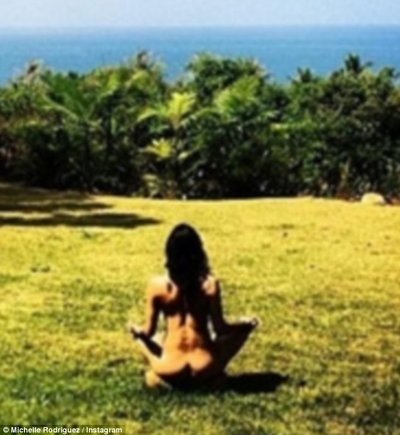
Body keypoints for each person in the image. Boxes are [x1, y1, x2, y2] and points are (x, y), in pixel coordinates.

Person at [129, 223, 258, 390]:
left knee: (145, 338)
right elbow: (220, 328)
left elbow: (148, 332)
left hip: (169, 367)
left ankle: (161, 379)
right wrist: (245, 325)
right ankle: (210, 380)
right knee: (241, 332)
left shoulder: (156, 286)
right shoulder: (209, 284)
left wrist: (136, 331)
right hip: (204, 365)